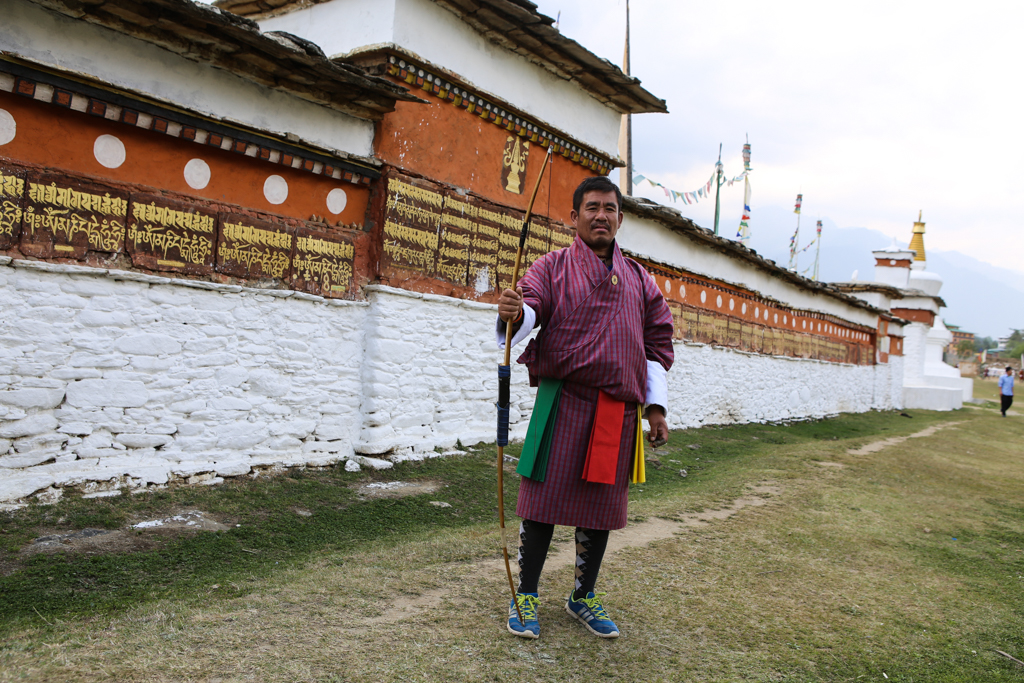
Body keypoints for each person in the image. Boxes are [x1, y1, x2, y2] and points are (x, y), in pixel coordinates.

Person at [495, 176, 674, 639]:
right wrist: (516, 312)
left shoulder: (638, 279)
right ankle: (526, 595)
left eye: (610, 208)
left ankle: (582, 596)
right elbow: (532, 309)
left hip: (617, 408)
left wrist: (656, 408)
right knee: (542, 500)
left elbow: (655, 344)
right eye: (591, 207)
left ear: (620, 217)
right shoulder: (551, 267)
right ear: (573, 217)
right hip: (562, 398)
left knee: (599, 507)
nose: (601, 215)